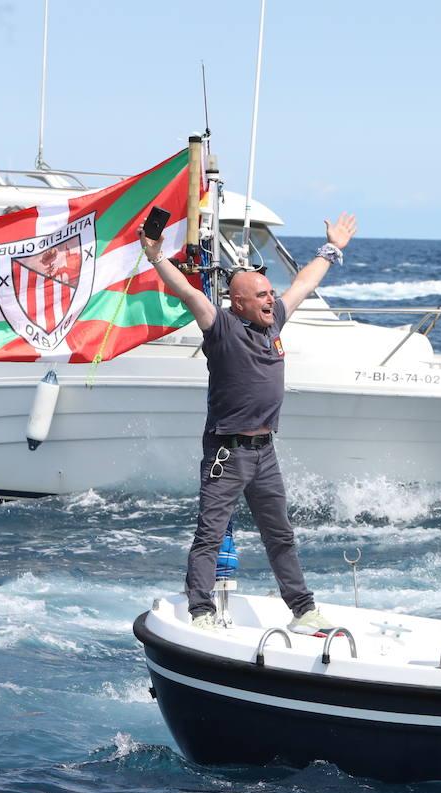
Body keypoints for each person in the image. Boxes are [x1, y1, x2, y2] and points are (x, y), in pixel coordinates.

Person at [140, 214, 358, 633]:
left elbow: (303, 285)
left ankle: (303, 609)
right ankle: (201, 612)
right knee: (210, 534)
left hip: (265, 453)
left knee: (281, 535)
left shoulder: (274, 321)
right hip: (228, 452)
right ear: (237, 302)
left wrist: (332, 248)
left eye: (268, 292)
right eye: (259, 294)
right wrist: (154, 255)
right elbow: (186, 290)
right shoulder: (221, 326)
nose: (269, 298)